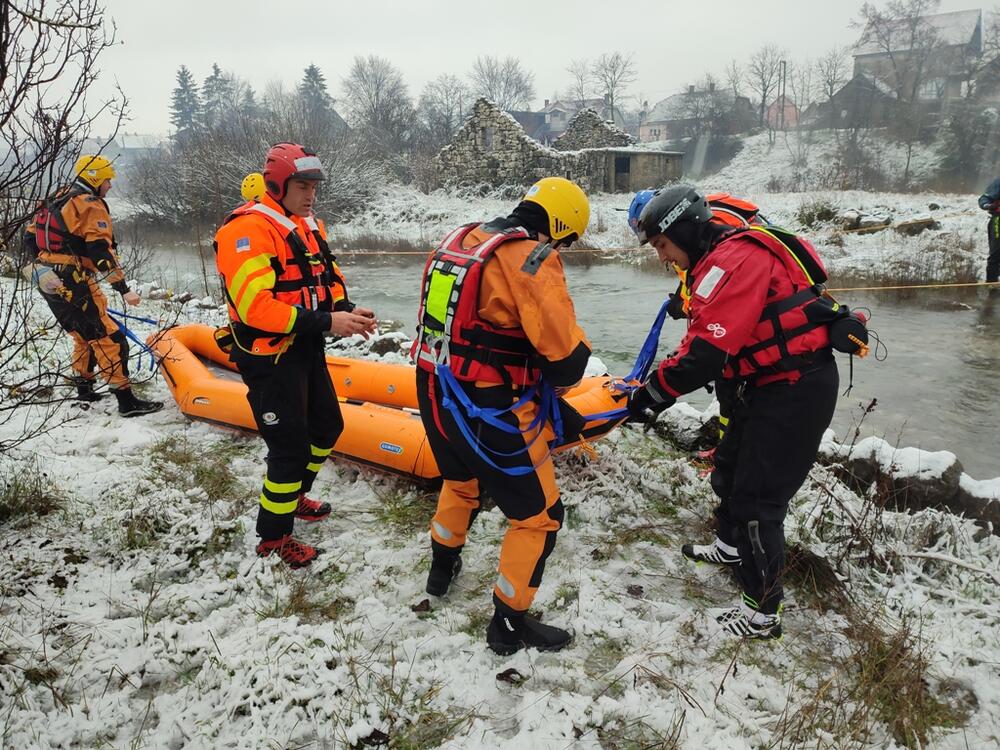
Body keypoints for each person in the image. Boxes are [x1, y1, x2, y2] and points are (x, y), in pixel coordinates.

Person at [629, 184, 840, 640]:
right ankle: (728, 547)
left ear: (682, 231)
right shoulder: (712, 263)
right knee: (728, 470)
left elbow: (705, 356)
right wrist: (655, 384)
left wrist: (650, 396)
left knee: (759, 503)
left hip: (794, 390)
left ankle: (762, 613)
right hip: (760, 387)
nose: (663, 259)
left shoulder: (735, 260)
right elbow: (700, 337)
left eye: (663, 246)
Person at [413, 177, 592, 655]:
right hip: (485, 405)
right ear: (558, 226)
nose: (564, 249)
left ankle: (441, 570)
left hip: (433, 388)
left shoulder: (461, 240)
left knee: (460, 483)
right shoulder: (531, 258)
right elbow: (568, 363)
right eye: (567, 240)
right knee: (540, 516)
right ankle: (508, 626)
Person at [215, 143, 377, 568]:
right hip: (268, 356)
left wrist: (346, 311)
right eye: (302, 186)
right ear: (277, 184)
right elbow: (256, 308)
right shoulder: (246, 231)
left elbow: (324, 282)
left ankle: (295, 498)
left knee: (327, 428)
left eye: (314, 187)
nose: (310, 195)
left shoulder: (306, 226)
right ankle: (274, 538)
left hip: (304, 345)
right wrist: (327, 322)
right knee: (287, 450)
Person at [24, 154, 163, 417]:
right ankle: (126, 401)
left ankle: (84, 388)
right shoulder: (90, 205)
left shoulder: (57, 196)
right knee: (108, 337)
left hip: (47, 277)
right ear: (96, 179)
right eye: (108, 179)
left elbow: (30, 238)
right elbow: (100, 252)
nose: (110, 185)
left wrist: (47, 262)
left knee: (82, 334)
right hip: (72, 277)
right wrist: (124, 289)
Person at [977, 177, 1000, 283]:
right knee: (996, 253)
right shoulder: (998, 183)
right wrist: (988, 205)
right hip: (998, 221)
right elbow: (984, 198)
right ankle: (992, 286)